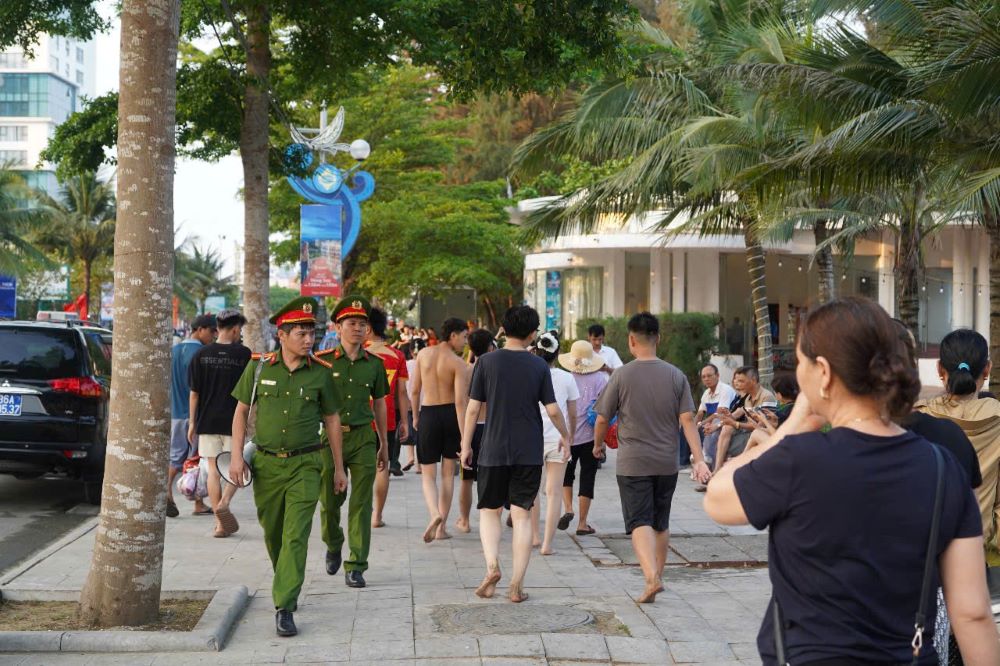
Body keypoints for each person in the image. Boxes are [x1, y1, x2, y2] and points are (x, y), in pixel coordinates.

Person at [704, 297, 999, 664]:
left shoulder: (800, 460)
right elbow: (971, 613)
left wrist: (795, 424)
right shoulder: (942, 469)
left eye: (800, 363)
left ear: (824, 373)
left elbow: (717, 497)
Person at [229, 297, 344, 637]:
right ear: (282, 335)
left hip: (307, 464)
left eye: (312, 332)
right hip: (266, 466)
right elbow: (240, 412)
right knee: (274, 533)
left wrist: (338, 468)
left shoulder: (322, 375)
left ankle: (285, 605)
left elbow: (333, 420)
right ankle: (286, 582)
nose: (309, 339)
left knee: (296, 536)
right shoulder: (259, 367)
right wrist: (236, 456)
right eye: (301, 333)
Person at [594, 312, 711, 603]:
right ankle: (658, 576)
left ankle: (650, 578)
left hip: (633, 462)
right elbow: (687, 420)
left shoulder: (621, 375)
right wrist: (699, 459)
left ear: (631, 341)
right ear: (658, 338)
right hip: (666, 463)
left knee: (638, 521)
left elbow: (601, 418)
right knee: (660, 522)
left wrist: (597, 446)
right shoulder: (676, 375)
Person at [460, 305, 571, 603]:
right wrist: (565, 435)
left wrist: (466, 445)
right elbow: (551, 409)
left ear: (504, 329)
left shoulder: (486, 362)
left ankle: (492, 566)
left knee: (489, 511)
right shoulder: (538, 366)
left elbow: (473, 408)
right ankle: (516, 585)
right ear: (533, 333)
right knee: (522, 516)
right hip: (528, 451)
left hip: (493, 448)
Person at [316, 296, 389, 589]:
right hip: (329, 439)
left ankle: (357, 564)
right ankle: (333, 543)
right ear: (338, 327)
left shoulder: (375, 365)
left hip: (362, 437)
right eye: (351, 323)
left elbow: (381, 404)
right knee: (329, 501)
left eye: (362, 324)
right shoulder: (323, 364)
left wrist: (383, 442)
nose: (358, 329)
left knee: (361, 503)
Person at [915, 329, 1000, 552]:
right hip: (975, 552)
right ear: (987, 369)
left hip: (923, 553)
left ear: (940, 370)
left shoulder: (918, 419)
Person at [187, 309, 251, 537]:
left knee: (213, 470)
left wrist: (192, 423)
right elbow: (250, 394)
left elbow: (194, 393)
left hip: (207, 421)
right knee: (237, 468)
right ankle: (224, 502)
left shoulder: (201, 355)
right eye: (240, 330)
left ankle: (219, 522)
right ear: (235, 329)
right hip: (235, 421)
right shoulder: (244, 355)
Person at [411, 317, 471, 542]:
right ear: (453, 335)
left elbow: (415, 391)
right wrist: (465, 435)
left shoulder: (423, 354)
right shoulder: (457, 363)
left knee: (428, 474)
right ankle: (442, 527)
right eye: (464, 337)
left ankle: (434, 513)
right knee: (447, 475)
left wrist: (416, 417)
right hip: (450, 417)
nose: (465, 342)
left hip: (428, 413)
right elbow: (460, 402)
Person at [530, 331, 577, 555]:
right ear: (557, 353)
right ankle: (547, 545)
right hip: (559, 438)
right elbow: (573, 413)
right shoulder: (567, 378)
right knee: (554, 491)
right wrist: (570, 437)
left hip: (532, 436)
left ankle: (535, 537)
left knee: (534, 490)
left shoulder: (529, 374)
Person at [557, 339, 608, 536]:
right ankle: (582, 523)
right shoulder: (600, 380)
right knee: (588, 477)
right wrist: (600, 442)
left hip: (567, 436)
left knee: (566, 475)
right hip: (590, 435)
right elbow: (604, 412)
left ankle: (568, 508)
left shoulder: (565, 377)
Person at [167, 313, 215, 518]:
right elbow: (201, 390)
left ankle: (170, 492)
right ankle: (197, 503)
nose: (214, 335)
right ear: (200, 329)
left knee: (176, 457)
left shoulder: (174, 350)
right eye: (212, 331)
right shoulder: (203, 353)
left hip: (176, 413)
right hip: (195, 414)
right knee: (196, 457)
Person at [368, 307, 411, 528]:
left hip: (358, 419)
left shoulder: (356, 352)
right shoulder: (397, 356)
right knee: (381, 466)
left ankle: (362, 512)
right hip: (387, 419)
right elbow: (401, 393)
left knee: (359, 468)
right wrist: (405, 421)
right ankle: (377, 516)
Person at [456, 328, 496, 533]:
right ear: (491, 346)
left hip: (471, 428)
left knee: (467, 479)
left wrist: (464, 439)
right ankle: (491, 517)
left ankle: (464, 520)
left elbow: (462, 404)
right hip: (493, 428)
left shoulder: (465, 370)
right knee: (491, 477)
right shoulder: (497, 369)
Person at [709, 366, 776, 473]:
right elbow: (737, 416)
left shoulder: (767, 397)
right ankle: (716, 470)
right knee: (724, 428)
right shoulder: (748, 399)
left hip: (760, 435)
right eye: (736, 380)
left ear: (753, 380)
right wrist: (727, 417)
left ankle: (719, 470)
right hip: (750, 433)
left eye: (741, 381)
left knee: (720, 438)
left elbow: (759, 427)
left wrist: (734, 423)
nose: (737, 384)